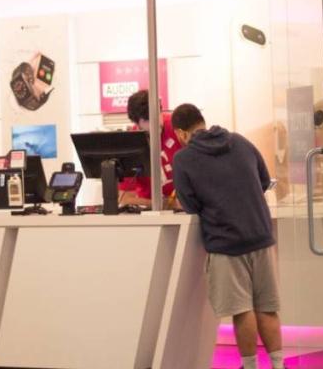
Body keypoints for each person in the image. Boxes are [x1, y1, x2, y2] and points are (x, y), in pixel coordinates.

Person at [170, 104, 284, 369]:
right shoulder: (240, 141)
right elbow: (264, 180)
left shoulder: (184, 159)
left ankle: (250, 366)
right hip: (261, 235)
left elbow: (190, 204)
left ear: (181, 133)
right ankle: (279, 365)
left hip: (226, 243)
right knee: (267, 307)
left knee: (242, 310)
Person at [119, 90, 182, 206]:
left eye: (158, 114)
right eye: (147, 119)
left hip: (183, 206)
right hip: (150, 209)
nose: (155, 122)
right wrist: (165, 205)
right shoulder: (131, 144)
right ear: (137, 123)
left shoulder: (177, 126)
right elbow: (125, 199)